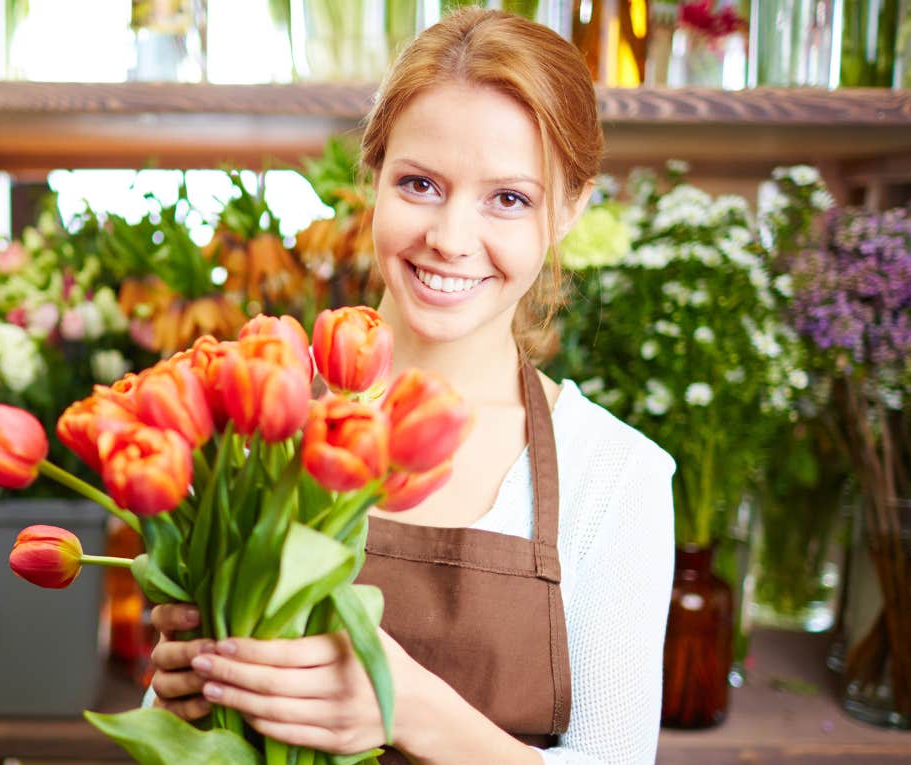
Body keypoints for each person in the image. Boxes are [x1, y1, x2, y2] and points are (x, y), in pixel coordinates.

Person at [147, 8, 675, 764]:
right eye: (421, 183)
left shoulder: (616, 477)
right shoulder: (261, 415)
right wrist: (179, 692)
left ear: (569, 208)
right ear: (374, 176)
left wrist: (408, 711)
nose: (451, 238)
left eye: (510, 198)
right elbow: (175, 721)